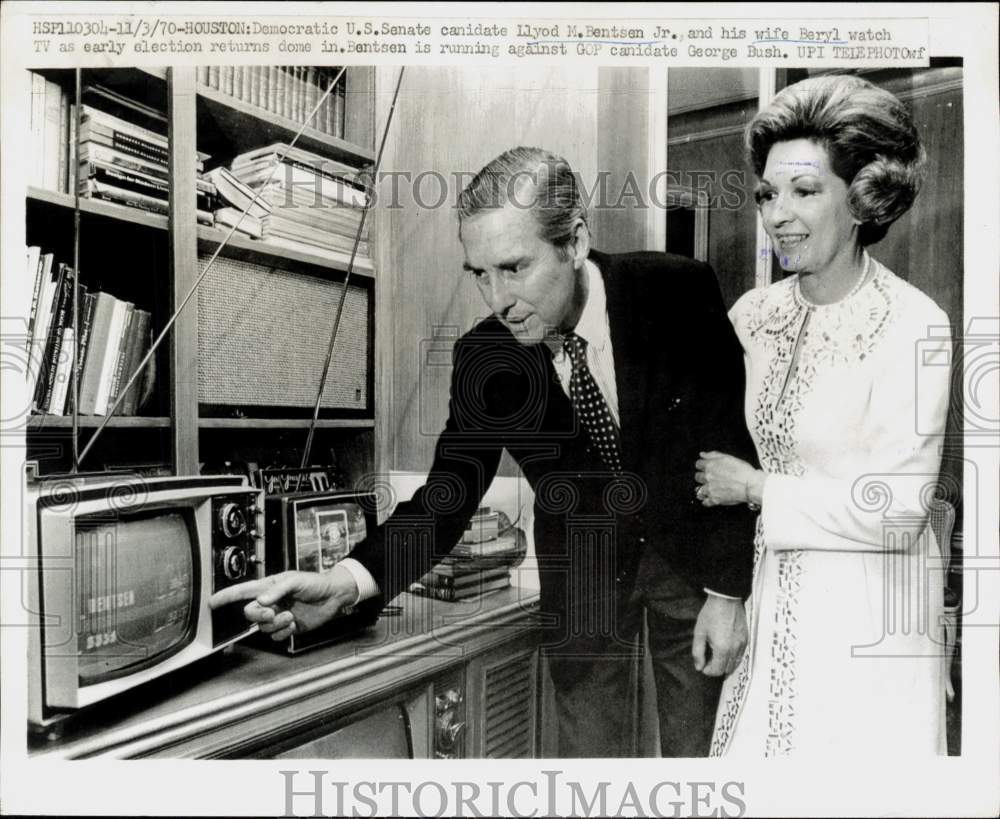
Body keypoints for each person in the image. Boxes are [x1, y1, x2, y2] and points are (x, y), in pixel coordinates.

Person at [211, 147, 758, 757]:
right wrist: (344, 582)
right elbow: (446, 499)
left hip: (690, 565)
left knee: (701, 761)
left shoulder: (676, 290)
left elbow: (730, 443)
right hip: (585, 581)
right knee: (590, 773)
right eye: (479, 273)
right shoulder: (486, 356)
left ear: (574, 242)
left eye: (514, 268)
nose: (497, 299)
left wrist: (728, 593)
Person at [694, 75, 951, 757]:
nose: (778, 214)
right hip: (766, 607)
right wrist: (723, 594)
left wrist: (757, 488)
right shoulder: (751, 315)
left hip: (868, 623)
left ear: (863, 197)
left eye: (805, 191)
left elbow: (901, 510)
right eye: (768, 194)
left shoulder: (915, 324)